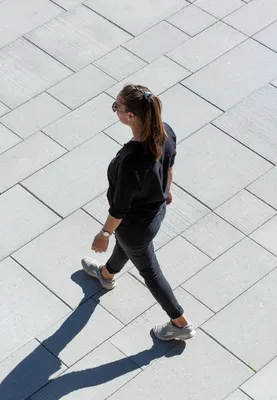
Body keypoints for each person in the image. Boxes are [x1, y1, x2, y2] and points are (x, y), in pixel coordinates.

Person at [82, 84, 194, 341]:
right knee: (131, 247)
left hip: (134, 225)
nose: (115, 111)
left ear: (131, 116)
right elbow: (170, 164)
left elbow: (120, 208)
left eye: (116, 107)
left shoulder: (133, 159)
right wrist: (166, 189)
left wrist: (104, 233)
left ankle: (180, 322)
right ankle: (107, 275)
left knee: (150, 272)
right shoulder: (166, 132)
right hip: (155, 212)